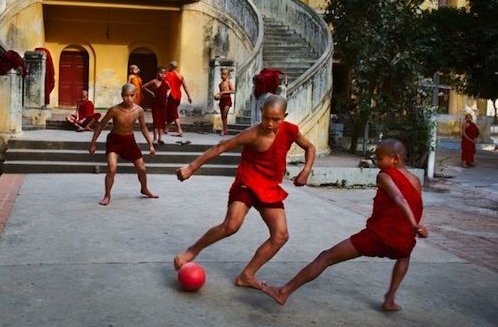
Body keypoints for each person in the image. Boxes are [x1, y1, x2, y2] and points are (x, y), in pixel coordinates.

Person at [261, 139, 428, 311]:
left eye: (380, 159)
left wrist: (414, 224)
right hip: (403, 239)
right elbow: (415, 205)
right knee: (404, 256)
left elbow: (399, 198)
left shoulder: (384, 176)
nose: (377, 163)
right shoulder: (415, 180)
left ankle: (284, 291)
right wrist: (413, 227)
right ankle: (390, 299)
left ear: (395, 158)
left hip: (378, 236)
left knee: (326, 257)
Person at [174, 94, 315, 290]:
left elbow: (310, 147)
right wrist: (191, 167)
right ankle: (192, 250)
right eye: (266, 117)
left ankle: (247, 275)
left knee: (281, 236)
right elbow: (220, 147)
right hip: (247, 183)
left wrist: (306, 170)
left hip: (270, 187)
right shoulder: (253, 134)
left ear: (285, 116)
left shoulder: (291, 130)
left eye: (276, 119)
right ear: (261, 113)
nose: (270, 123)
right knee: (231, 225)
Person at [89, 83, 158, 206]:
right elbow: (100, 126)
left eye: (132, 95)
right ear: (122, 95)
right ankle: (107, 195)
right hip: (114, 141)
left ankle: (144, 189)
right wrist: (93, 143)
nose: (129, 98)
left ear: (135, 95)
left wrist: (150, 144)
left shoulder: (139, 110)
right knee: (112, 169)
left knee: (142, 169)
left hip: (129, 141)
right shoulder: (114, 110)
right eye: (126, 95)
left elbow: (143, 128)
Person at [141, 66, 170, 145]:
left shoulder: (166, 82)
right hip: (156, 103)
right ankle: (155, 138)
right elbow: (143, 87)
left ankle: (160, 138)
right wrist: (152, 93)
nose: (162, 75)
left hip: (163, 104)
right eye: (161, 73)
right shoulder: (154, 81)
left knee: (162, 121)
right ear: (157, 74)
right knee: (156, 120)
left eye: (164, 73)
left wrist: (167, 93)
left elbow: (169, 88)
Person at [164, 61, 192, 137]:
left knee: (173, 113)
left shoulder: (167, 75)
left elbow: (165, 85)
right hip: (178, 96)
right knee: (171, 112)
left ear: (170, 67)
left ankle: (179, 130)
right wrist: (189, 96)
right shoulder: (180, 76)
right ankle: (166, 128)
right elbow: (185, 86)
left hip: (171, 95)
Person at [216, 68, 235, 136]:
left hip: (227, 99)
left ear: (227, 75)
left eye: (224, 74)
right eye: (222, 74)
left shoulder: (229, 83)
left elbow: (233, 91)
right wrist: (217, 96)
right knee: (222, 116)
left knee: (225, 114)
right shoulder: (220, 84)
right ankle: (225, 130)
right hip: (222, 100)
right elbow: (220, 93)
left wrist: (223, 92)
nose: (223, 76)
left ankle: (223, 130)